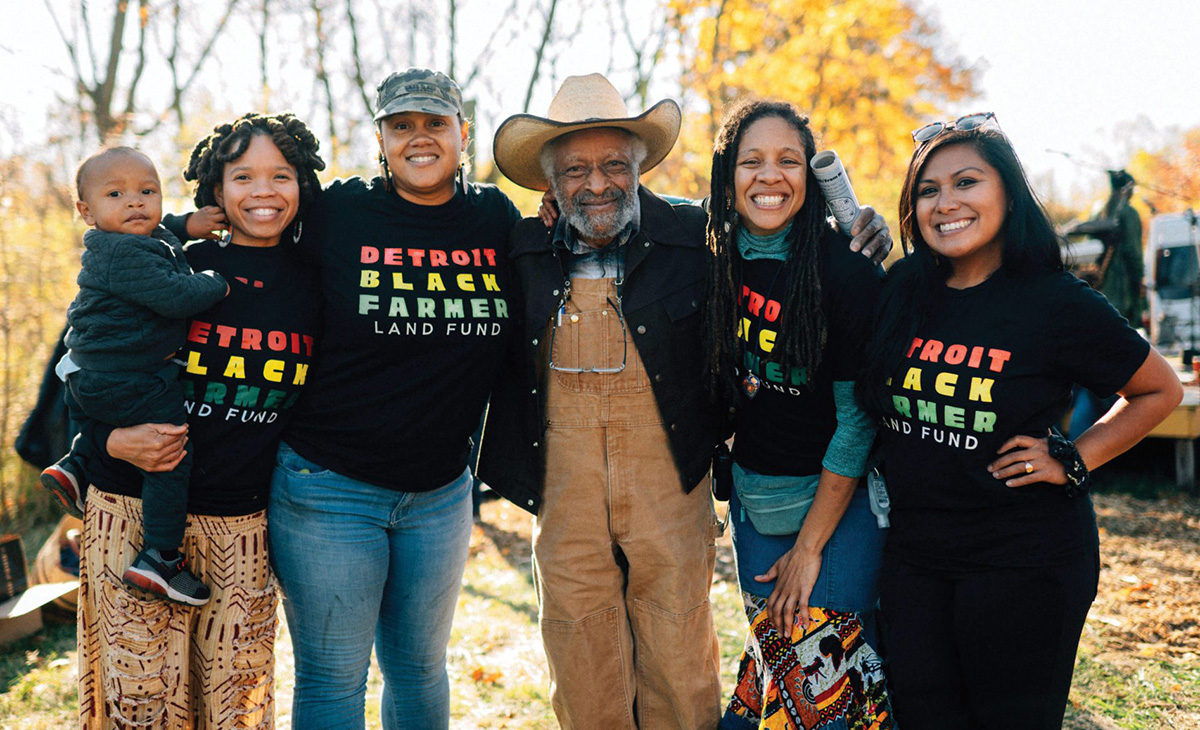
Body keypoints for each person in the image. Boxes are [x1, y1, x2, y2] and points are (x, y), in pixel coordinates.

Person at [481, 76, 892, 730]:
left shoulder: (694, 237)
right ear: (549, 183)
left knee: (678, 651)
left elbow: (779, 227)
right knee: (580, 650)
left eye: (615, 164)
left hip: (670, 486)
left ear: (640, 166)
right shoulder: (519, 250)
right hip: (565, 497)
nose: (598, 184)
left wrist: (860, 228)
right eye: (577, 171)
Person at [857, 114, 1181, 729]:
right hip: (915, 560)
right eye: (927, 190)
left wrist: (1075, 458)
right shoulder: (901, 290)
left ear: (1008, 192)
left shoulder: (1054, 301)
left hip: (1026, 562)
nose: (945, 203)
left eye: (966, 183)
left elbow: (1157, 390)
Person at [267, 68, 521, 730]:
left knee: (419, 669)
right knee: (332, 677)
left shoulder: (494, 219)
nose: (419, 138)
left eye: (435, 123)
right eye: (401, 125)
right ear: (380, 137)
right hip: (328, 487)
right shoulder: (337, 213)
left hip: (439, 495)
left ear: (463, 134)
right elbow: (251, 249)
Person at [76, 112, 325, 729]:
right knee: (140, 703)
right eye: (242, 176)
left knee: (235, 705)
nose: (262, 192)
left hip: (241, 521)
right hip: (132, 507)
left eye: (281, 175)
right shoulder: (161, 261)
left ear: (303, 185)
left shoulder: (320, 279)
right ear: (216, 189)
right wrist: (107, 438)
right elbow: (78, 367)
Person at [706, 99, 895, 730]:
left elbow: (858, 423)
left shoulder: (845, 272)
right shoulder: (706, 261)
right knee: (780, 672)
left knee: (828, 696)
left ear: (809, 178)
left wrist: (811, 548)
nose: (769, 176)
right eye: (750, 161)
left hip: (835, 511)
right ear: (726, 174)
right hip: (754, 504)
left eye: (789, 161)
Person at [41, 147, 229, 605]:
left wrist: (192, 225)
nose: (135, 203)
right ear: (86, 212)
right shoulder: (122, 254)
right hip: (129, 378)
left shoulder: (132, 237)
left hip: (89, 373)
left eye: (148, 191)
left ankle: (77, 463)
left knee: (117, 422)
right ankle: (161, 558)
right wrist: (217, 281)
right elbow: (172, 295)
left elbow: (165, 232)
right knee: (169, 452)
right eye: (116, 194)